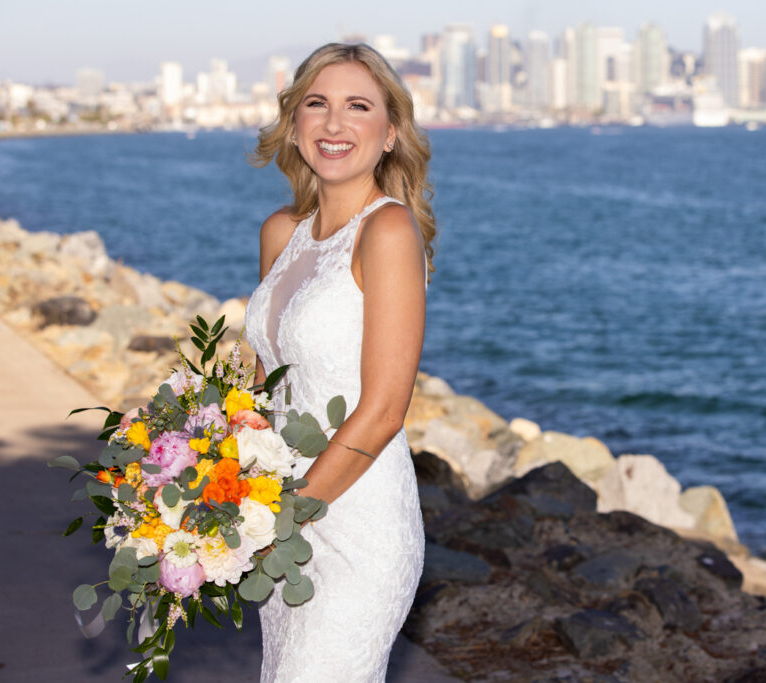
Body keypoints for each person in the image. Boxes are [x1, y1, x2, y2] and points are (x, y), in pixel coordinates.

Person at [243, 42, 436, 682]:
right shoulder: (281, 232)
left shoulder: (388, 232)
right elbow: (269, 384)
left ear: (390, 133)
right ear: (294, 124)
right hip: (276, 516)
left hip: (353, 523)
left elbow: (382, 411)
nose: (333, 124)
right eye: (316, 104)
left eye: (358, 106)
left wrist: (282, 520)